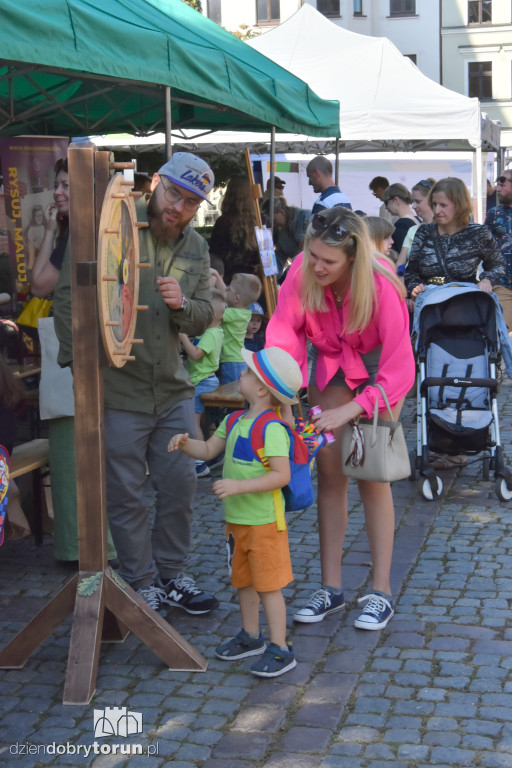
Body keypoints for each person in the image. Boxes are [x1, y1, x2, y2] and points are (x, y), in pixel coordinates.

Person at [46, 151, 220, 614]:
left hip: (172, 389)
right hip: (118, 390)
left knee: (181, 483)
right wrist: (82, 371)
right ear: (156, 183)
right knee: (124, 492)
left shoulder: (196, 248)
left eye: (191, 203)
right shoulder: (111, 225)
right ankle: (141, 581)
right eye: (174, 194)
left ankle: (173, 574)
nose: (179, 208)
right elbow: (66, 301)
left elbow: (204, 316)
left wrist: (184, 304)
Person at [266, 206, 415, 630]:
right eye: (312, 256)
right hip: (331, 363)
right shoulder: (302, 270)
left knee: (371, 472)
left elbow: (400, 366)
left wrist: (354, 408)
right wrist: (282, 387)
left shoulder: (383, 285)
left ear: (352, 257)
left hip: (378, 371)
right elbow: (284, 330)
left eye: (327, 261)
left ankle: (381, 590)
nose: (316, 266)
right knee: (330, 471)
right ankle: (331, 588)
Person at [168, 346, 302, 678]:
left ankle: (281, 647)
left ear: (260, 389)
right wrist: (186, 444)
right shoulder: (234, 419)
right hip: (237, 521)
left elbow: (281, 475)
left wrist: (238, 486)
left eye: (246, 373)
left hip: (265, 523)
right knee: (244, 582)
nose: (240, 375)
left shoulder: (271, 428)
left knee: (269, 586)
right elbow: (210, 449)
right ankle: (250, 635)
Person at [30, 158, 117, 564]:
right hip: (86, 352)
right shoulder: (87, 229)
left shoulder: (78, 233)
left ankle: (82, 546)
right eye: (56, 184)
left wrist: (48, 233)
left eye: (66, 184)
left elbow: (39, 283)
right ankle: (87, 544)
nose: (59, 191)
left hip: (77, 354)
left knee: (73, 453)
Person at [405, 177, 504, 301]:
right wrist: (415, 287)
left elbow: (498, 265)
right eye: (434, 204)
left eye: (443, 205)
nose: (436, 210)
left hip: (465, 305)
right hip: (430, 306)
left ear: (459, 205)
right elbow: (411, 272)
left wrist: (487, 280)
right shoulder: (424, 232)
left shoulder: (478, 233)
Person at [179, 289, 226, 478]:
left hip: (201, 381)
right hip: (205, 379)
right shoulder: (215, 331)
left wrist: (182, 337)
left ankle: (199, 464)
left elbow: (196, 354)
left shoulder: (211, 334)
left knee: (193, 422)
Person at [209, 175, 260, 283]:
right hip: (256, 282)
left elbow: (215, 255)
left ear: (229, 194)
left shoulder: (223, 223)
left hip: (229, 283)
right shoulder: (261, 221)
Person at [219, 272, 262, 385]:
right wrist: (217, 276)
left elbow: (215, 312)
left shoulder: (232, 313)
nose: (226, 290)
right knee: (239, 394)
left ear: (237, 298)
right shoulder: (245, 313)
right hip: (239, 360)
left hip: (230, 361)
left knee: (230, 396)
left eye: (229, 289)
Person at [485, 170, 512, 330]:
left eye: (502, 185)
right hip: (503, 285)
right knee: (505, 334)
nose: (498, 189)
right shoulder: (493, 214)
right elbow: (484, 247)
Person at [395, 178, 436, 282]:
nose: (413, 206)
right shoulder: (413, 230)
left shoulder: (445, 230)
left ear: (432, 201)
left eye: (418, 202)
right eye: (413, 202)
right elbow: (400, 264)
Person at [262, 197, 312, 275]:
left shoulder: (306, 217)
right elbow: (279, 259)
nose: (274, 225)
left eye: (274, 221)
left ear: (282, 212)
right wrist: (272, 277)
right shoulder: (281, 236)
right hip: (299, 272)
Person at [380, 183, 421, 254]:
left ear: (396, 200)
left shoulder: (401, 225)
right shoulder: (419, 220)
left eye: (386, 203)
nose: (386, 207)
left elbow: (402, 255)